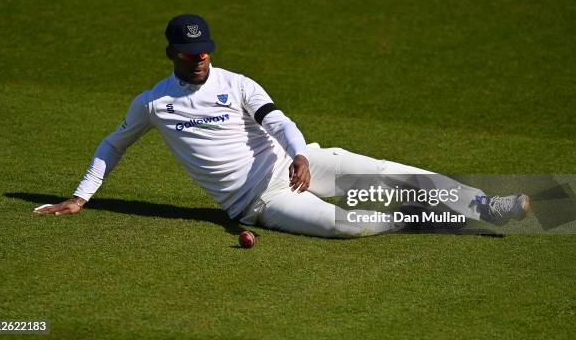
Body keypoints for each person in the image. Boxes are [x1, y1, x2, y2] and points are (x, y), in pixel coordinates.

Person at [34, 14, 531, 237]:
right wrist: (81, 196)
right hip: (259, 202)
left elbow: (277, 119)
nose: (201, 56)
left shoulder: (237, 83)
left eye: (205, 48)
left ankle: (488, 205)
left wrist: (297, 154)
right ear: (172, 55)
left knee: (394, 173)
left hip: (297, 163)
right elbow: (112, 144)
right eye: (190, 52)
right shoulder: (154, 104)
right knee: (350, 226)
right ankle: (419, 218)